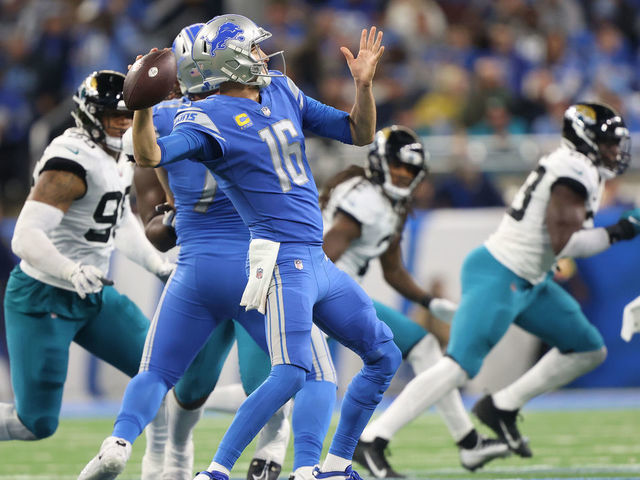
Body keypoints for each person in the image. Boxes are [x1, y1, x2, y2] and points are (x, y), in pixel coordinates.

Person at [130, 14, 401, 480]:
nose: (262, 55)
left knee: (384, 354)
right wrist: (140, 107)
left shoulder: (280, 88)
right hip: (280, 262)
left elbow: (358, 132)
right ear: (227, 63)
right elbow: (151, 155)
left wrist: (364, 86)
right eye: (251, 49)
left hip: (315, 257)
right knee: (294, 372)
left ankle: (334, 467)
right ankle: (216, 471)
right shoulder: (204, 117)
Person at [79, 23, 338, 480]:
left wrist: (142, 104)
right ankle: (301, 464)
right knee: (304, 372)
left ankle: (120, 440)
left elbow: (148, 173)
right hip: (260, 267)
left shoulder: (164, 120)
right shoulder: (262, 104)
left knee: (156, 373)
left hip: (197, 266)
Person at [355, 102, 640, 463]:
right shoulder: (573, 170)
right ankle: (373, 437)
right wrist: (622, 230)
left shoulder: (581, 167)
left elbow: (556, 241)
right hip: (500, 272)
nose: (616, 151)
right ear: (587, 140)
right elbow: (566, 243)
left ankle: (502, 407)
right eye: (609, 142)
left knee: (587, 348)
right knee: (457, 366)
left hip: (530, 278)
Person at [0, 71, 173, 480]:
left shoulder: (125, 150)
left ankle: (161, 470)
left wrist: (156, 264)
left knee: (161, 370)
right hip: (44, 295)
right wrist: (68, 268)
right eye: (112, 115)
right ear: (87, 115)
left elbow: (118, 220)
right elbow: (24, 237)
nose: (122, 122)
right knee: (36, 424)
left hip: (93, 292)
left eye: (126, 114)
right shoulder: (70, 161)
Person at [316, 125, 509, 476]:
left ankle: (467, 443)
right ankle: (363, 446)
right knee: (279, 390)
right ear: (380, 162)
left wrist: (430, 302)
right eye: (398, 165)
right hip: (328, 294)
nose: (404, 174)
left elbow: (392, 270)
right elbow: (327, 253)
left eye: (410, 170)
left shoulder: (386, 200)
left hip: (340, 293)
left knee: (423, 346)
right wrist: (302, 299)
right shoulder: (368, 200)